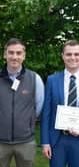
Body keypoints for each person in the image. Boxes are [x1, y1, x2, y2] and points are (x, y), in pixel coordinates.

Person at [40, 40, 79, 167]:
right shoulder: (52, 80)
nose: (72, 57)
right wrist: (45, 142)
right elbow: (46, 113)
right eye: (68, 54)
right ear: (62, 56)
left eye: (76, 54)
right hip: (57, 139)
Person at [0, 38, 44, 167]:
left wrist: (27, 122)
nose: (14, 57)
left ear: (24, 56)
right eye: (11, 52)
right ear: (5, 54)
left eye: (18, 53)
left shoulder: (35, 79)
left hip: (25, 141)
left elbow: (39, 106)